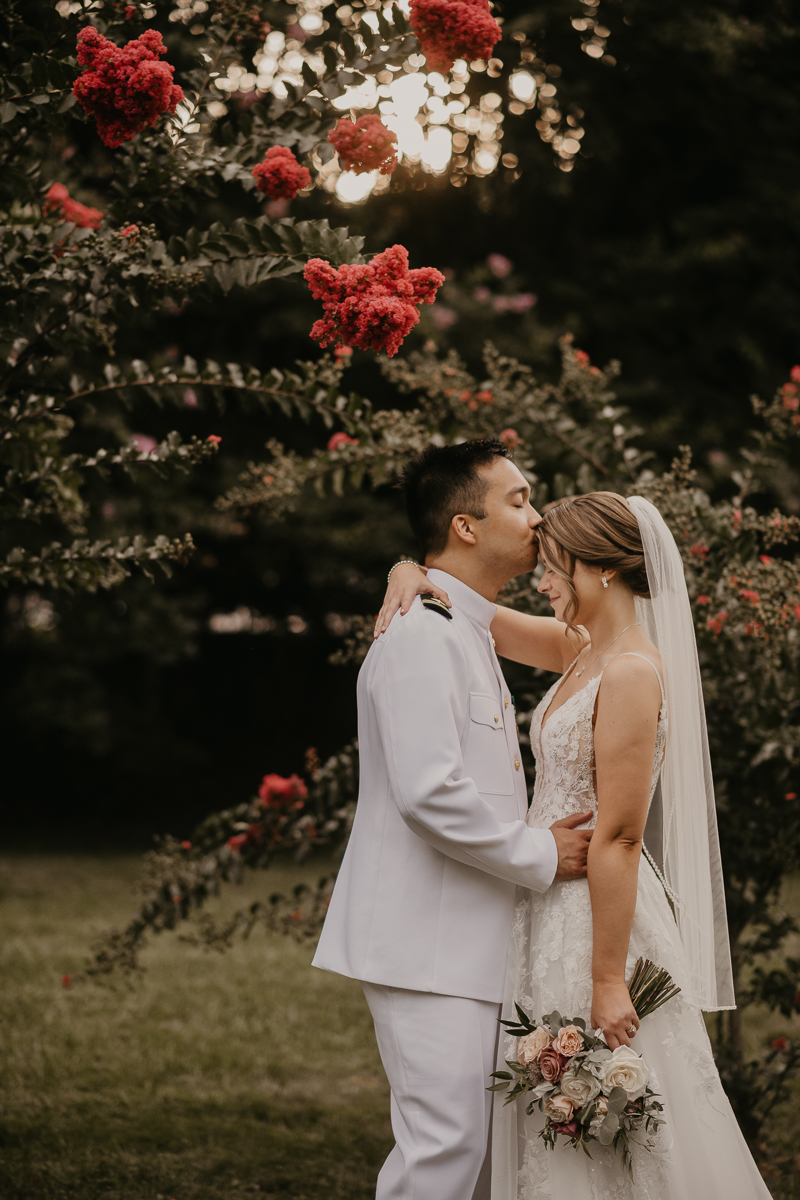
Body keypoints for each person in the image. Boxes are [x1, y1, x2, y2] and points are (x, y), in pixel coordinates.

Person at [381, 490, 772, 1199]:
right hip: (545, 903)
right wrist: (409, 571)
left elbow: (621, 837)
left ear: (605, 569)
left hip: (598, 918)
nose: (544, 579)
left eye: (556, 566)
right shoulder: (584, 648)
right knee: (551, 1117)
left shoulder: (628, 670)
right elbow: (485, 620)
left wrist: (608, 978)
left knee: (609, 1119)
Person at [312, 439, 594, 1200]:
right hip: (421, 941)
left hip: (462, 937)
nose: (535, 517)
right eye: (518, 500)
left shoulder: (459, 624)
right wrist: (541, 854)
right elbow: (430, 794)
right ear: (466, 526)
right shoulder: (419, 637)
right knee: (443, 1149)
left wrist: (411, 568)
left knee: (464, 1152)